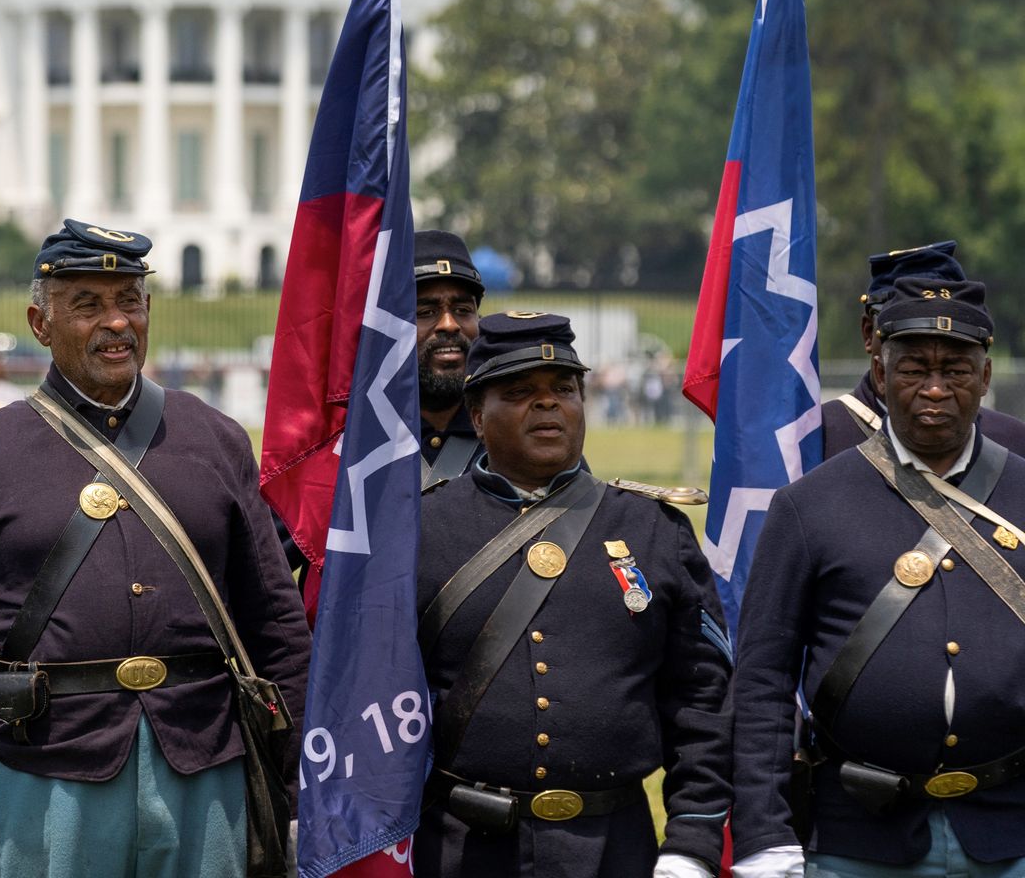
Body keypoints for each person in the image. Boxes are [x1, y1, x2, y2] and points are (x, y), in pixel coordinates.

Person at [0, 219, 311, 878]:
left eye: (129, 300)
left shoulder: (217, 440)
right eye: (87, 304)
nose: (116, 322)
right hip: (47, 768)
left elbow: (277, 625)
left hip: (203, 760)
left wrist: (296, 794)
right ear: (40, 323)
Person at [415, 312, 731, 878]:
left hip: (616, 849)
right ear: (477, 417)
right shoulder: (419, 530)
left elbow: (703, 701)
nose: (547, 405)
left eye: (563, 389)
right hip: (459, 850)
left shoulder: (654, 529)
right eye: (520, 392)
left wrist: (693, 838)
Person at [733, 277, 1025, 877]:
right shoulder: (806, 506)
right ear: (880, 369)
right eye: (915, 368)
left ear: (987, 377)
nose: (936, 389)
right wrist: (765, 831)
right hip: (857, 836)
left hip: (1012, 829)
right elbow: (762, 680)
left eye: (958, 371)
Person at [821, 241, 1025, 460]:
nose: (935, 390)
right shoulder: (819, 433)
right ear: (869, 331)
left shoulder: (1010, 439)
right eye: (904, 325)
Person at [415, 230, 487, 488]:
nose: (449, 324)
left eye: (463, 310)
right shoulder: (354, 441)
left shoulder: (515, 432)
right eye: (426, 311)